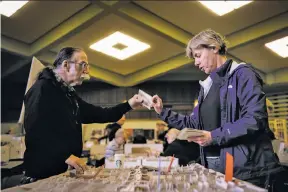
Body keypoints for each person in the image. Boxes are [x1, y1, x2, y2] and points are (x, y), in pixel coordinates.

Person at [152, 29, 284, 189]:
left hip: (250, 171)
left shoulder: (243, 75)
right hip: (223, 169)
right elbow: (193, 122)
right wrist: (162, 111)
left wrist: (213, 136)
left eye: (198, 55)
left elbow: (254, 120)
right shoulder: (206, 88)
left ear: (214, 47)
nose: (195, 63)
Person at [1, 47, 144, 189]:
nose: (87, 71)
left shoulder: (69, 95)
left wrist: (129, 104)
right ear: (66, 65)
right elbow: (36, 132)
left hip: (60, 172)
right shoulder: (42, 89)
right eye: (83, 65)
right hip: (42, 174)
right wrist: (64, 155)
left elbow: (100, 113)